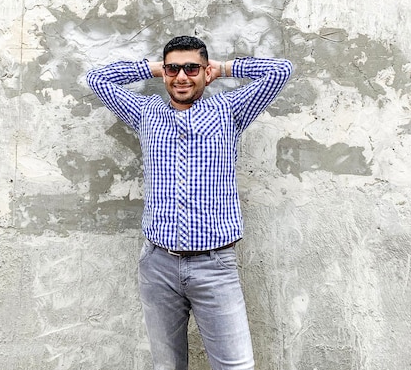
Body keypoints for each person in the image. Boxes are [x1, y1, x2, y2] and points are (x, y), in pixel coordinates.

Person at [86, 35, 293, 370]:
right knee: (167, 366)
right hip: (158, 266)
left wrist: (224, 68)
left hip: (215, 266)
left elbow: (280, 71)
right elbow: (97, 79)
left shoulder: (230, 111)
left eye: (191, 68)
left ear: (204, 70)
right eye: (174, 69)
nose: (181, 76)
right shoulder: (145, 112)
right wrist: (156, 69)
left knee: (236, 366)